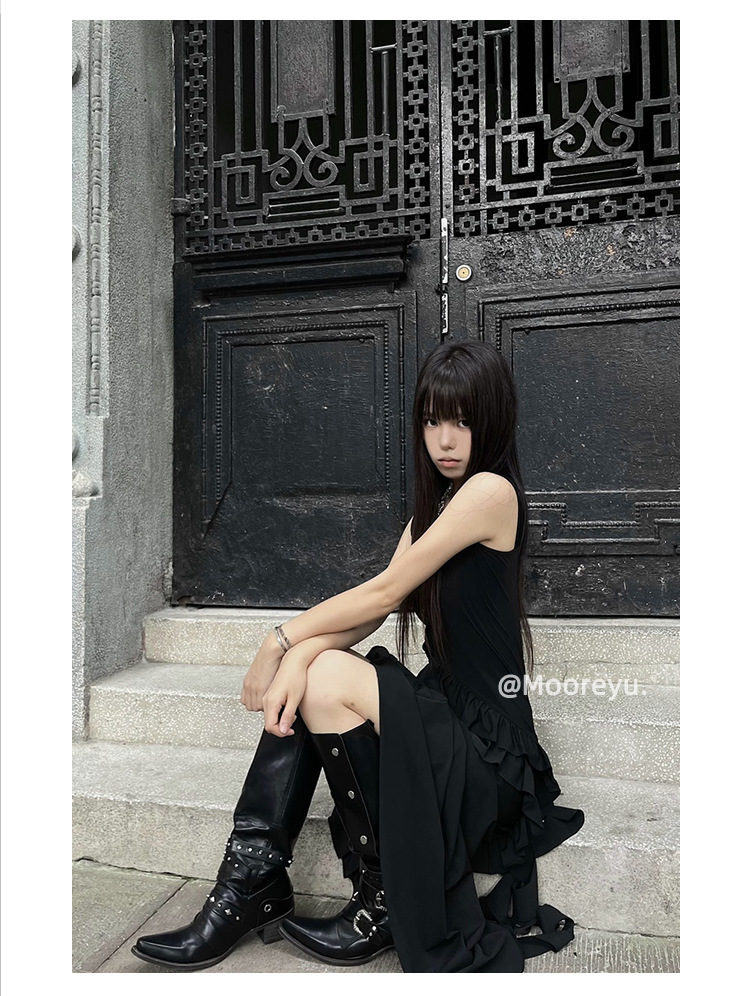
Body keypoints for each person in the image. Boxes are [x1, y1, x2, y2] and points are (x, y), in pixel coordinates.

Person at [132, 339, 584, 973]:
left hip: (488, 753)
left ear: (492, 420)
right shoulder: (439, 507)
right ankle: (276, 879)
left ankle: (267, 884)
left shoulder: (490, 492)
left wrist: (280, 642)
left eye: (462, 421)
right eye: (432, 420)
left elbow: (385, 592)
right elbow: (373, 612)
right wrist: (300, 656)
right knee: (318, 676)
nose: (445, 440)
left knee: (323, 676)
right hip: (448, 717)